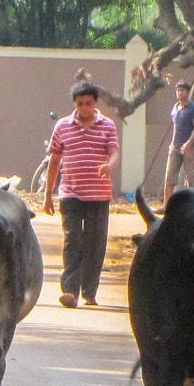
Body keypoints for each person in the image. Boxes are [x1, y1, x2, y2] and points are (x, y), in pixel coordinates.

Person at [44, 80, 121, 308]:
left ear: (95, 102)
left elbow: (115, 152)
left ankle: (89, 292)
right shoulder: (62, 126)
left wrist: (110, 165)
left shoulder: (107, 125)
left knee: (95, 244)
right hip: (70, 194)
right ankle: (70, 291)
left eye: (89, 103)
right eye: (80, 104)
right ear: (74, 104)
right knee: (73, 240)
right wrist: (48, 193)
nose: (85, 108)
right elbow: (55, 160)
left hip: (99, 195)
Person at [162, 80, 194, 198]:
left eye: (182, 90)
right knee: (169, 178)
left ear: (188, 92)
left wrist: (189, 143)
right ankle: (166, 206)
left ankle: (192, 205)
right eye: (178, 90)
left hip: (189, 148)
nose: (180, 93)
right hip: (175, 147)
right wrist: (172, 144)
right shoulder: (175, 108)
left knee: (190, 177)